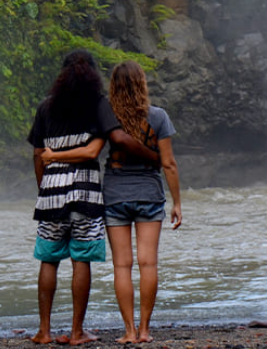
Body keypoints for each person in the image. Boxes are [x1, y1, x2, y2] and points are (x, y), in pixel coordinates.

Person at [42, 60, 181, 344]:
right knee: (148, 264)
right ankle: (144, 331)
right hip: (149, 194)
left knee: (122, 266)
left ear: (113, 87)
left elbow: (91, 148)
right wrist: (177, 202)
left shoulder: (107, 115)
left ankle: (128, 331)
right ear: (142, 84)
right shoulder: (159, 117)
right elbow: (169, 164)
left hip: (115, 195)